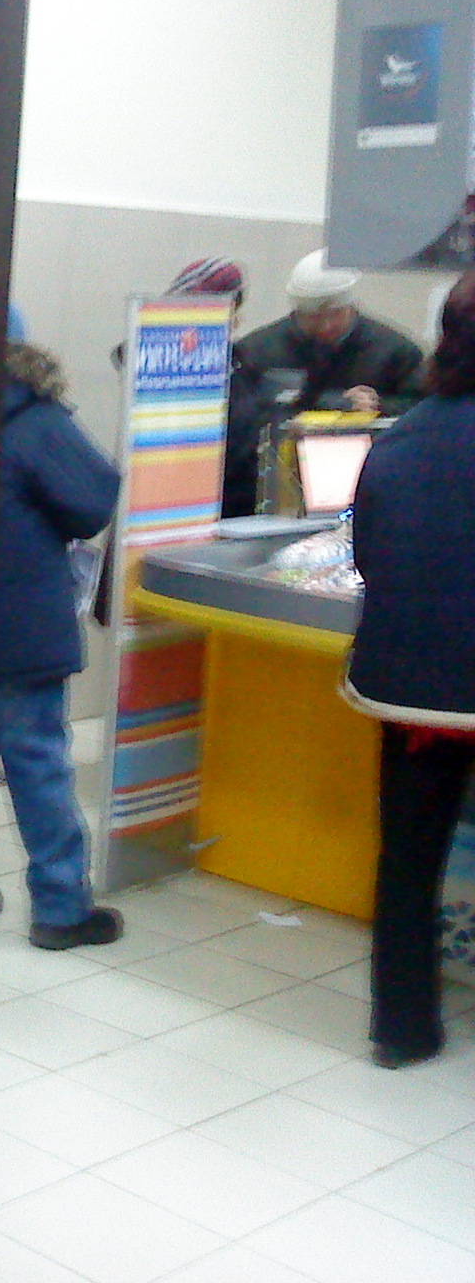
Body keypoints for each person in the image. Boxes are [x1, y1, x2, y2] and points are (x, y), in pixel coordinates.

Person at [343, 271, 475, 1068]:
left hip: (414, 691)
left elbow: (368, 557)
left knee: (408, 856)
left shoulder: (399, 437)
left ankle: (401, 1028)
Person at [0, 309, 126, 949]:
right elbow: (92, 503)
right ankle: (61, 909)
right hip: (21, 626)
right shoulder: (35, 420)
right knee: (36, 764)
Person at [221, 249, 425, 517]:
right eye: (313, 317)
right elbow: (246, 419)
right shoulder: (258, 351)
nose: (326, 326)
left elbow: (423, 409)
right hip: (271, 492)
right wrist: (327, 404)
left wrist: (380, 406)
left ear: (351, 305)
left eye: (335, 313)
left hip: (368, 487)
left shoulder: (395, 351)